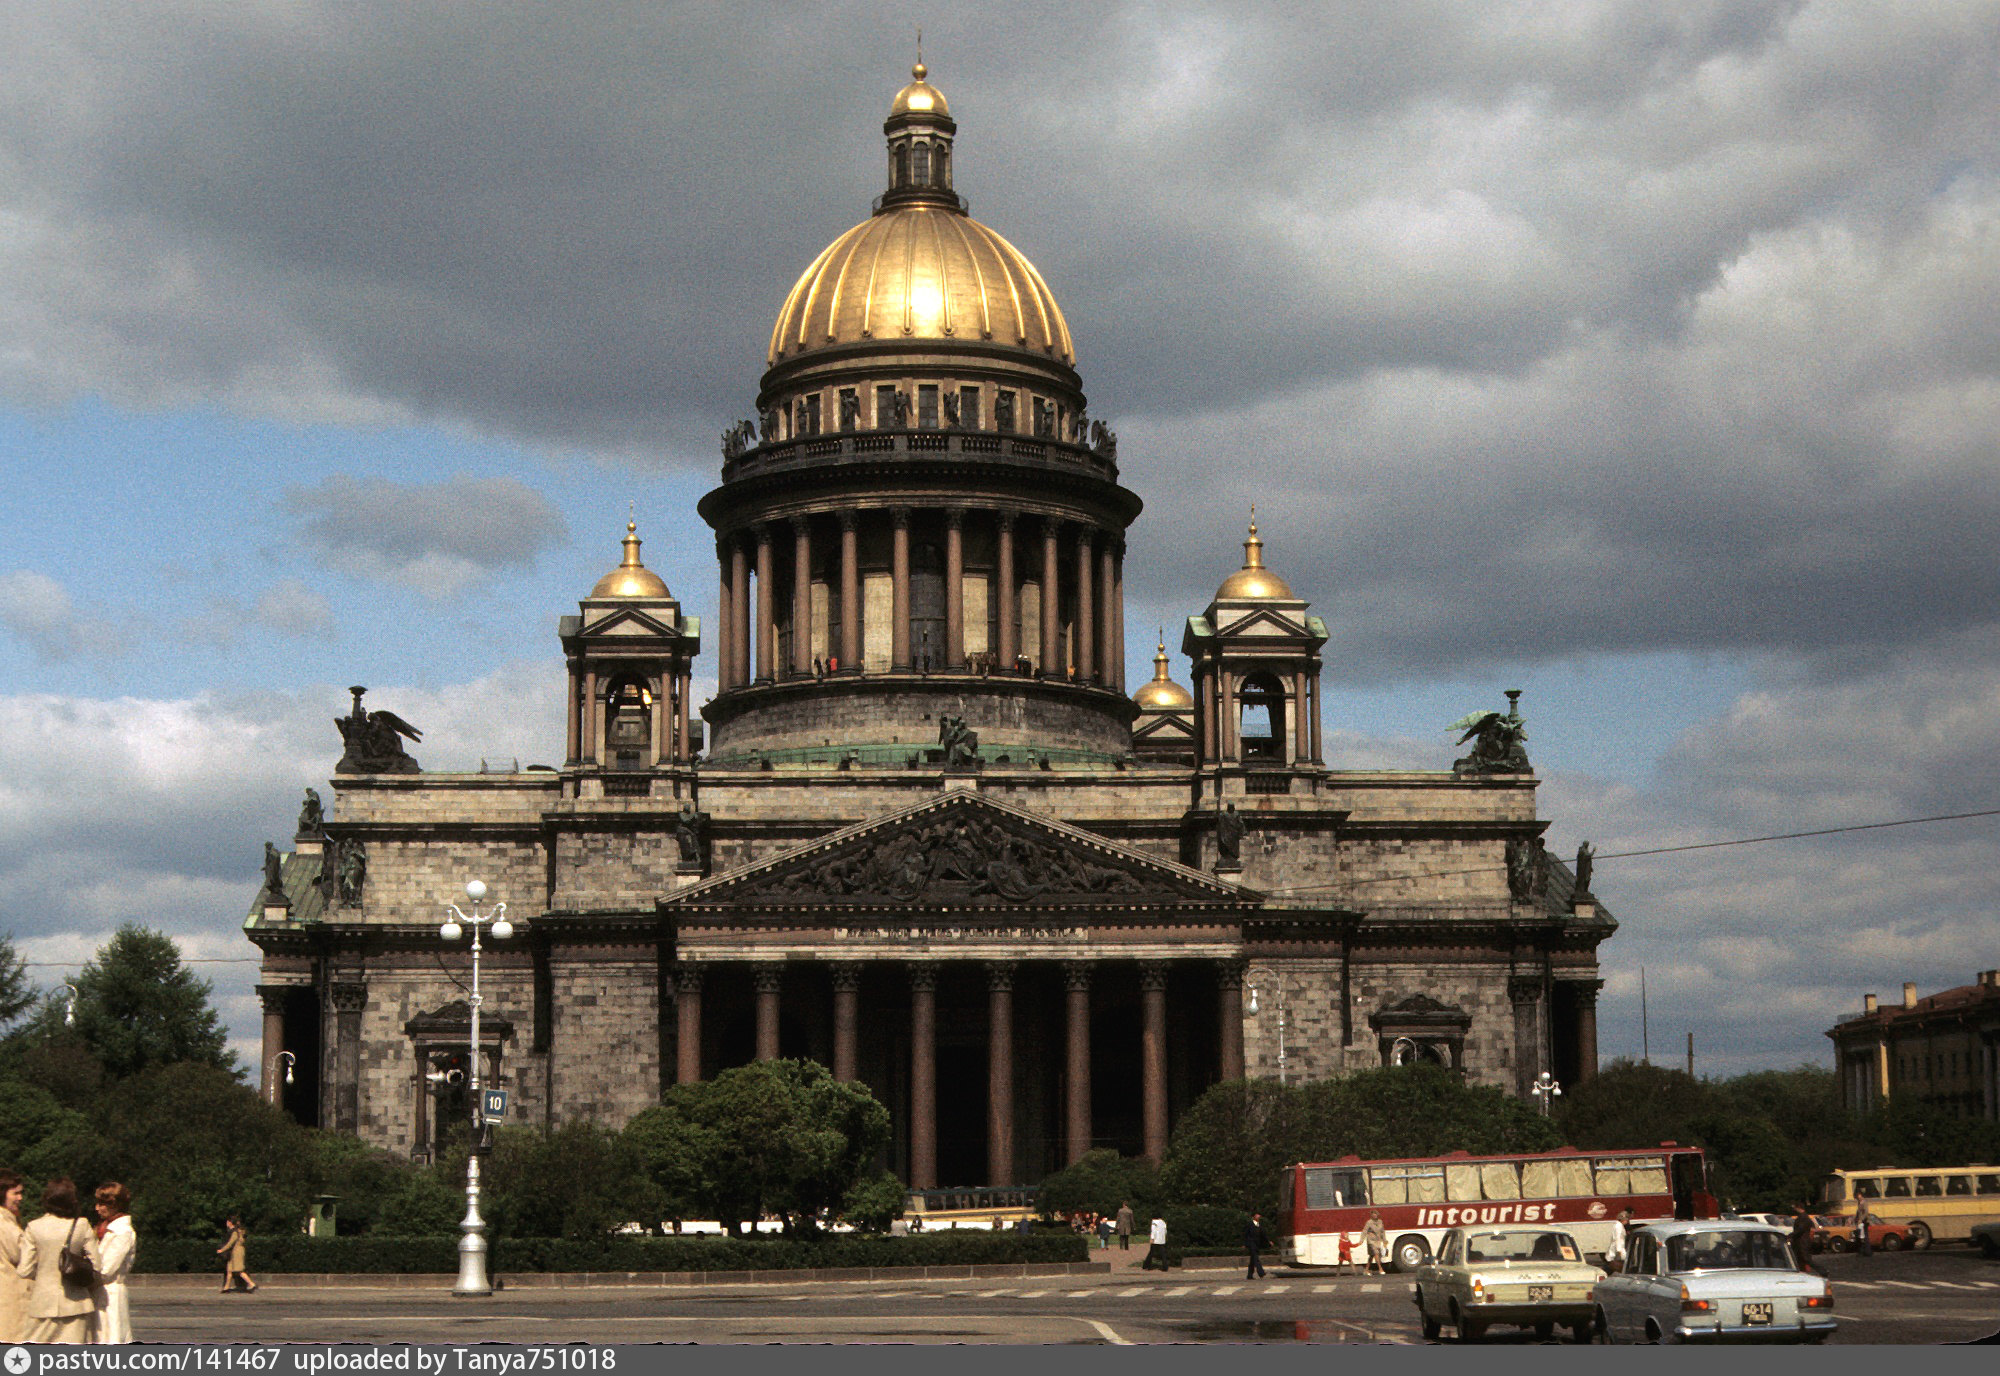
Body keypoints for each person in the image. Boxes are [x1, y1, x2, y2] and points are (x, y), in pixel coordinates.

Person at [17, 1178, 100, 1344]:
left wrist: (43, 1273)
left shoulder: (34, 1227)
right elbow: (97, 1265)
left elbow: (24, 1270)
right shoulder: (81, 1225)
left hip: (42, 1304)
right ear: (72, 1201)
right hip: (76, 1303)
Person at [91, 1183, 135, 1343]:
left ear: (115, 1205)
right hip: (99, 1293)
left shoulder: (123, 1232)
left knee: (112, 1338)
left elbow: (106, 1269)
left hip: (111, 1295)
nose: (97, 1208)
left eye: (102, 1204)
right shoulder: (103, 1229)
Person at [0, 1170, 26, 1342]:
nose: (20, 1198)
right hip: (9, 1298)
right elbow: (23, 1256)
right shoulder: (5, 1224)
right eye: (15, 1193)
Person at [217, 1216, 258, 1293]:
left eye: (227, 1222)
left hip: (236, 1253)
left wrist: (222, 1250)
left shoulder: (235, 1232)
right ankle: (226, 1287)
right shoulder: (239, 1231)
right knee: (229, 1270)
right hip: (234, 1252)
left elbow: (230, 1243)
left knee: (239, 1270)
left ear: (231, 1223)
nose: (226, 1223)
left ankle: (252, 1284)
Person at [1791, 1205, 1825, 1277]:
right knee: (1800, 1259)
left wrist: (1790, 1235)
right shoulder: (1804, 1217)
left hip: (1802, 1242)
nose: (1794, 1210)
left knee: (1805, 1258)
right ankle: (1802, 1273)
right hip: (1801, 1241)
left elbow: (1800, 1230)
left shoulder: (1803, 1218)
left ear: (1799, 1208)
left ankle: (1822, 1270)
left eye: (1795, 1208)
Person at [1244, 1212, 1269, 1280]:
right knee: (1256, 1258)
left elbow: (1263, 1235)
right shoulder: (1249, 1224)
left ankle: (1249, 1275)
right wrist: (1245, 1244)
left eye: (1259, 1215)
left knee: (1252, 1260)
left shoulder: (1259, 1225)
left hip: (1257, 1244)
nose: (1258, 1216)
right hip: (1251, 1244)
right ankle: (1261, 1272)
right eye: (1257, 1215)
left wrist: (1269, 1242)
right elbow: (1246, 1234)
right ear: (1254, 1216)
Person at [1362, 1210, 1387, 1275]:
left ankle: (1366, 1270)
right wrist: (1361, 1240)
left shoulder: (1380, 1221)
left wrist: (1384, 1240)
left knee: (1372, 1255)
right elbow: (1365, 1231)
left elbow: (1382, 1231)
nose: (1375, 1215)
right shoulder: (1369, 1222)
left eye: (1376, 1214)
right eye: (1373, 1214)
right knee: (1376, 1253)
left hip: (1378, 1241)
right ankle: (1380, 1269)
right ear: (1371, 1215)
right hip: (1371, 1241)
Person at [1606, 1208, 1631, 1273]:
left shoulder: (1618, 1225)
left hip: (1614, 1252)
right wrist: (1620, 1251)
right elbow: (1618, 1239)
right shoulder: (1619, 1226)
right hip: (1616, 1253)